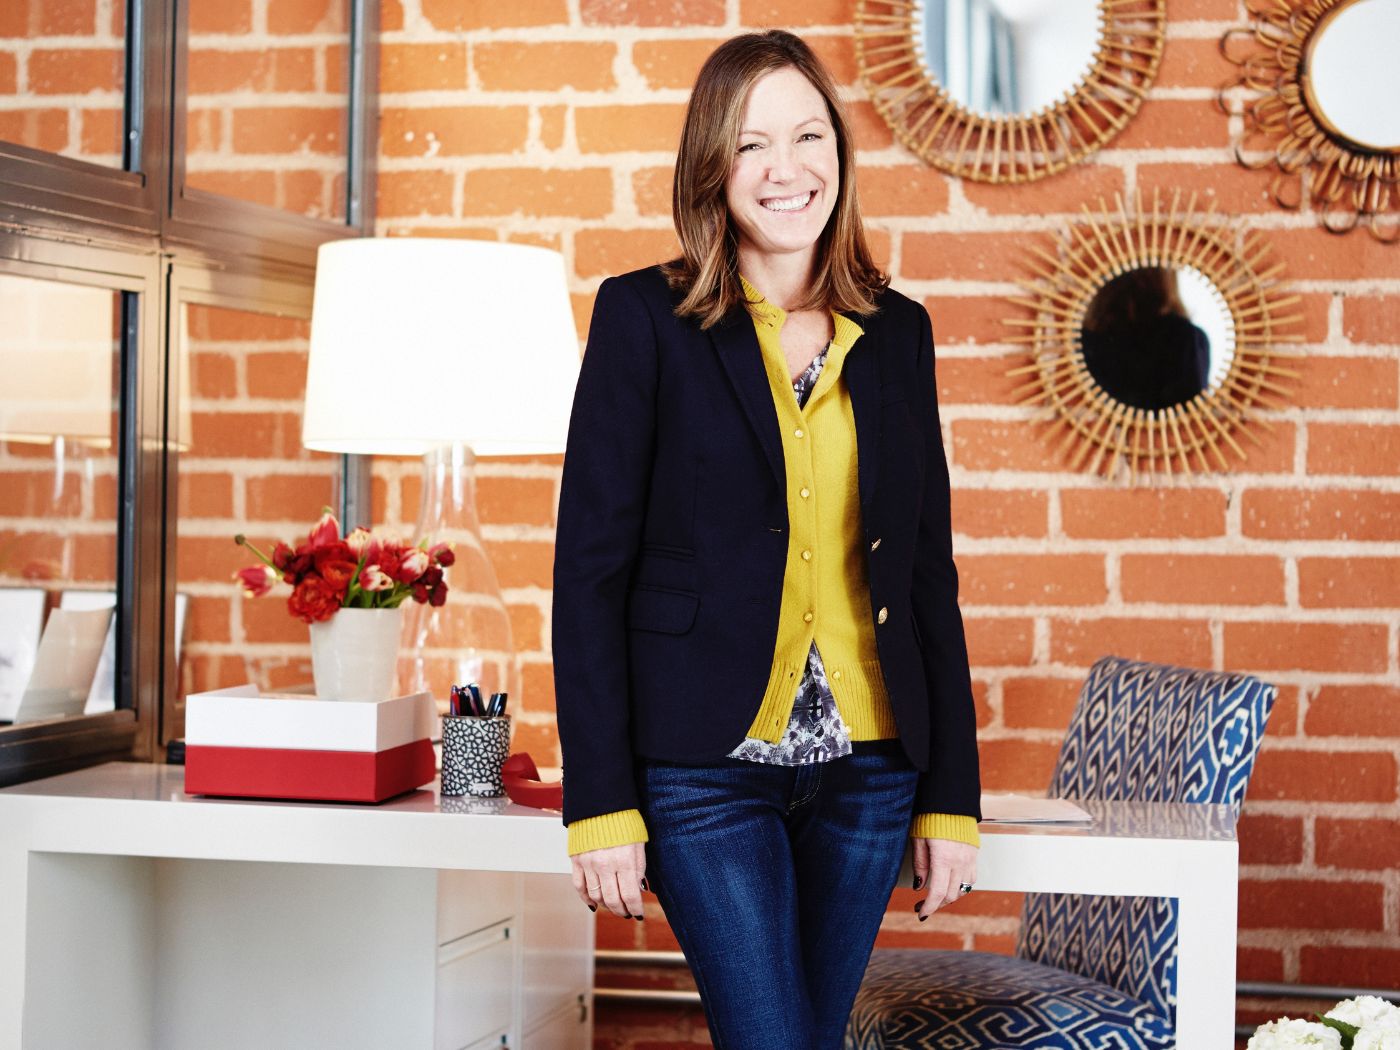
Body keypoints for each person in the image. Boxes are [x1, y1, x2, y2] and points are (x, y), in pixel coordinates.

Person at [552, 29, 981, 1050]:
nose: (783, 169)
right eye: (750, 146)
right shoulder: (642, 320)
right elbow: (589, 575)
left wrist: (950, 801)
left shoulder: (896, 332)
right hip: (703, 770)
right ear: (711, 164)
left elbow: (926, 575)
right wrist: (599, 803)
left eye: (805, 136)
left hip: (871, 769)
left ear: (837, 149)